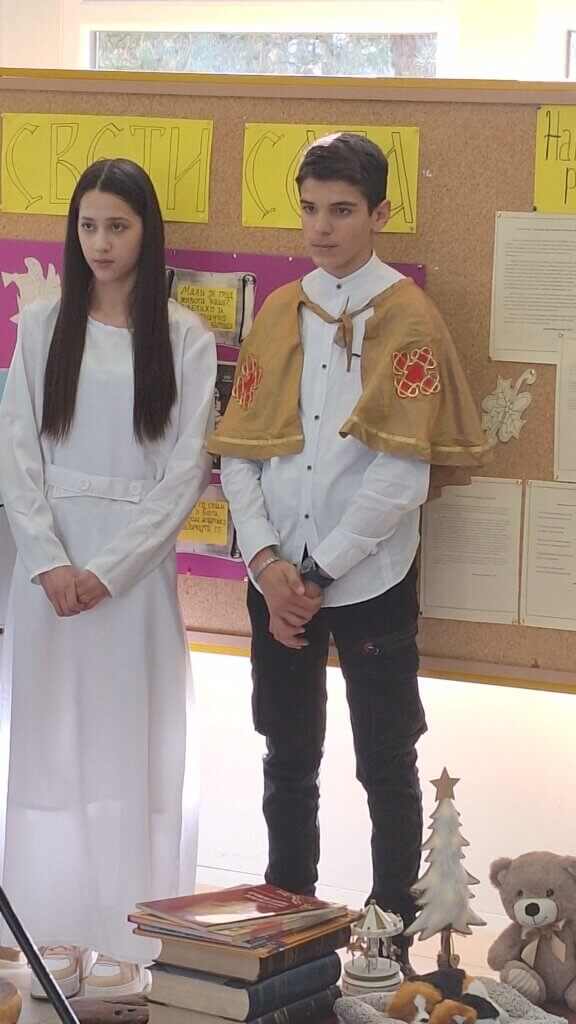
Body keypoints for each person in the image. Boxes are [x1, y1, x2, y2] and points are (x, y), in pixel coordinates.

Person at [209, 133, 490, 970]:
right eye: (309, 209)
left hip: (368, 580)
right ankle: (288, 924)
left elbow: (401, 474)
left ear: (379, 214)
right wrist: (267, 565)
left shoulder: (408, 318)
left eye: (340, 210)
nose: (321, 228)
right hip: (278, 579)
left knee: (385, 763)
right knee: (287, 756)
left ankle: (385, 943)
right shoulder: (279, 311)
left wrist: (316, 572)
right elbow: (240, 451)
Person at [0, 158, 216, 996]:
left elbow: (186, 470)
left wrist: (110, 571)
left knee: (134, 744)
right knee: (48, 746)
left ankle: (131, 934)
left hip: (132, 577)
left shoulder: (185, 337)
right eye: (88, 225)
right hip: (46, 571)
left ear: (146, 233)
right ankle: (48, 925)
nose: (100, 242)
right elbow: (16, 450)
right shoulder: (42, 325)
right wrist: (49, 560)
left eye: (117, 226)